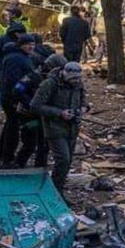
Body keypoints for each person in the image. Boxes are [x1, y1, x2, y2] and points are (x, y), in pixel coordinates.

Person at [32, 61, 89, 196]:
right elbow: (35, 105)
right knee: (62, 159)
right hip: (54, 127)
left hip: (73, 126)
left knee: (68, 161)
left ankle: (58, 190)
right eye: (73, 79)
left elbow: (83, 98)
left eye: (78, 78)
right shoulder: (50, 84)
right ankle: (54, 192)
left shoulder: (78, 84)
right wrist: (59, 113)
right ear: (64, 74)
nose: (76, 81)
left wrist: (84, 108)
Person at [13, 54, 65, 169]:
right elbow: (17, 90)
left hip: (43, 116)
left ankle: (40, 168)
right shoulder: (32, 77)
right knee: (30, 143)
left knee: (45, 144)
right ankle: (18, 165)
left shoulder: (55, 81)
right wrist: (31, 103)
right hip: (28, 116)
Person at [0, 34, 37, 166]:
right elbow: (14, 82)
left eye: (33, 44)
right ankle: (7, 158)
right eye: (28, 44)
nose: (31, 46)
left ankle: (0, 153)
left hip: (10, 96)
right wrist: (24, 101)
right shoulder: (17, 59)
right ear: (21, 45)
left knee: (10, 124)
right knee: (13, 129)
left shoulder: (20, 57)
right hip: (13, 98)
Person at [0, 22, 27, 124]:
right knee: (1, 92)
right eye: (18, 32)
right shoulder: (1, 40)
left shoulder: (21, 40)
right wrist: (3, 64)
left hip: (17, 70)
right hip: (5, 70)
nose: (20, 34)